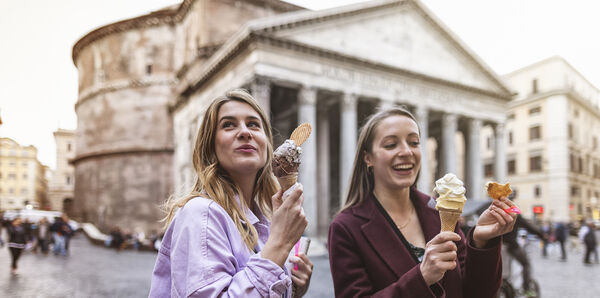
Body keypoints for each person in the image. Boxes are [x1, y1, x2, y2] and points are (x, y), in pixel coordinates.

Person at [328, 107, 517, 297]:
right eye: (391, 145)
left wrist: (481, 241)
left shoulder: (438, 210)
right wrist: (422, 278)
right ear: (368, 158)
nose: (406, 151)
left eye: (414, 142)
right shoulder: (345, 227)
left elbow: (476, 293)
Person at [150, 89, 313, 297]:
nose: (245, 132)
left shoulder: (263, 221)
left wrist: (294, 288)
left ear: (266, 145)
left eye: (253, 124)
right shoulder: (201, 213)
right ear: (210, 147)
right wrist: (279, 245)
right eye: (228, 125)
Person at [503, 211, 545, 294]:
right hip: (511, 245)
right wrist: (542, 235)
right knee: (526, 264)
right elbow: (528, 226)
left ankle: (505, 284)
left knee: (503, 270)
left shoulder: (496, 211)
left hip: (499, 245)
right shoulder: (514, 213)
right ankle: (526, 288)